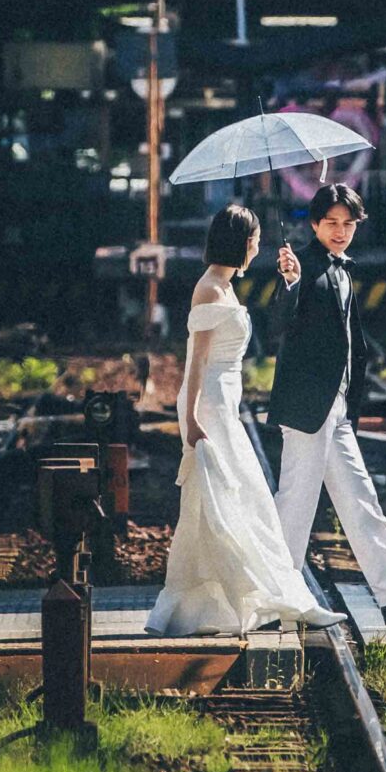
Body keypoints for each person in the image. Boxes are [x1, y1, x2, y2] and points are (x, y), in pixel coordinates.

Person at [147, 203, 346, 637]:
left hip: (222, 405)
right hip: (211, 409)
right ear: (241, 241)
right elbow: (195, 364)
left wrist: (290, 281)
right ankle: (290, 601)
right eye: (254, 239)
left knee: (222, 506)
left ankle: (207, 608)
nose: (258, 246)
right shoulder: (209, 290)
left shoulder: (223, 286)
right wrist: (194, 420)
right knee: (243, 500)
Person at [270, 183, 386, 624]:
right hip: (306, 408)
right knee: (295, 505)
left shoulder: (341, 269)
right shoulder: (305, 267)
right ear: (315, 224)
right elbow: (280, 320)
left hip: (335, 409)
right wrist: (292, 282)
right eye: (331, 223)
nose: (340, 231)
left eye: (348, 224)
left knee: (361, 499)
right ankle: (275, 598)